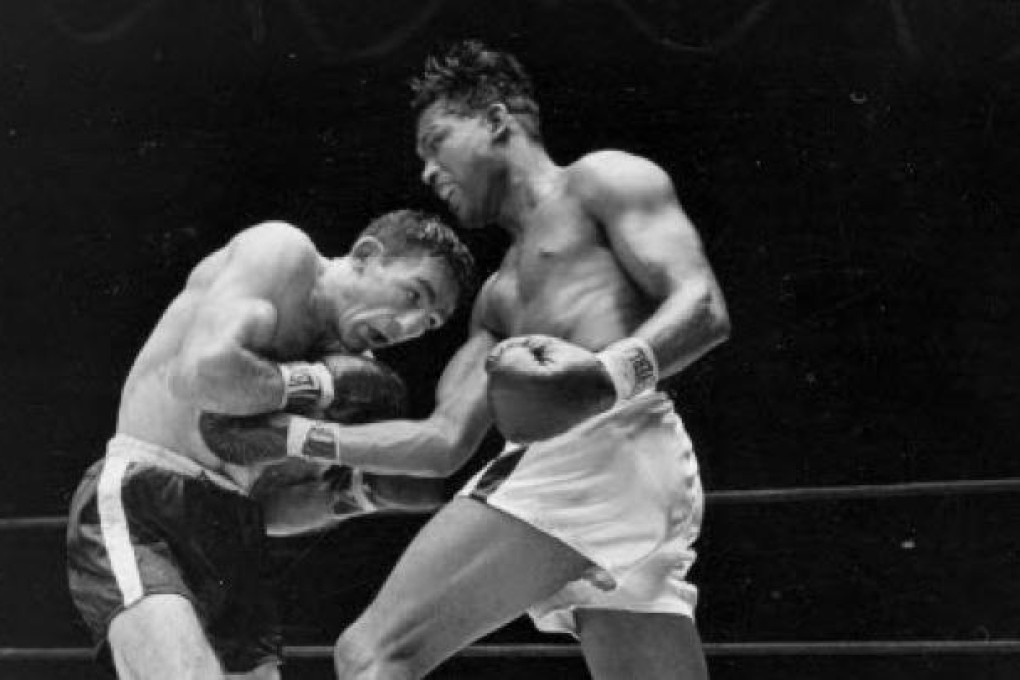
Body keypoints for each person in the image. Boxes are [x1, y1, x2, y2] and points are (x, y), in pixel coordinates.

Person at [65, 209, 476, 680]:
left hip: (233, 529)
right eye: (412, 295)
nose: (406, 327)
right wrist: (318, 383)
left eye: (427, 323)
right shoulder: (284, 256)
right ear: (366, 256)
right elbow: (201, 375)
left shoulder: (353, 369)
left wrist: (354, 496)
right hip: (147, 500)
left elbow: (271, 511)